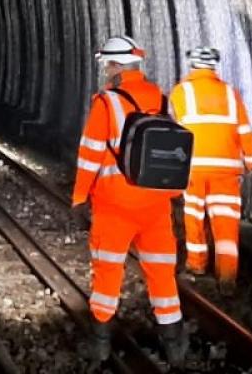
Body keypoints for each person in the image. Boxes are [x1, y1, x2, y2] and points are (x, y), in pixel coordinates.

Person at [71, 34, 187, 362]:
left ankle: (100, 344)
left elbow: (90, 155)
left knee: (108, 273)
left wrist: (80, 198)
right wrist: (175, 196)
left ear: (115, 66)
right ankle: (175, 344)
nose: (106, 71)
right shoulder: (162, 99)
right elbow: (173, 153)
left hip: (115, 207)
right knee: (162, 272)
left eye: (107, 65)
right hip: (155, 206)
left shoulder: (106, 103)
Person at [169, 46, 252, 292]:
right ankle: (227, 276)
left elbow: (173, 131)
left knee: (194, 216)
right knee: (226, 221)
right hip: (226, 169)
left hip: (194, 167)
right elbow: (244, 131)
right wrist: (249, 161)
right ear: (213, 67)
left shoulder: (180, 93)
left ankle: (197, 266)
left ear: (193, 66)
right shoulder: (231, 94)